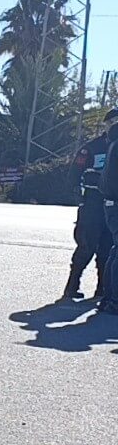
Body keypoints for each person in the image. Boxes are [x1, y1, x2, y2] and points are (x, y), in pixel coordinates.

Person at [66, 167, 109, 299]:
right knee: (86, 248)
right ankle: (72, 286)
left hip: (110, 205)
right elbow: (74, 174)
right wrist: (78, 195)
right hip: (92, 204)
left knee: (107, 250)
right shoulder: (92, 147)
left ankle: (103, 289)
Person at [98, 122, 118, 314]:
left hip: (111, 203)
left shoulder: (113, 145)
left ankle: (109, 297)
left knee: (115, 250)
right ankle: (114, 301)